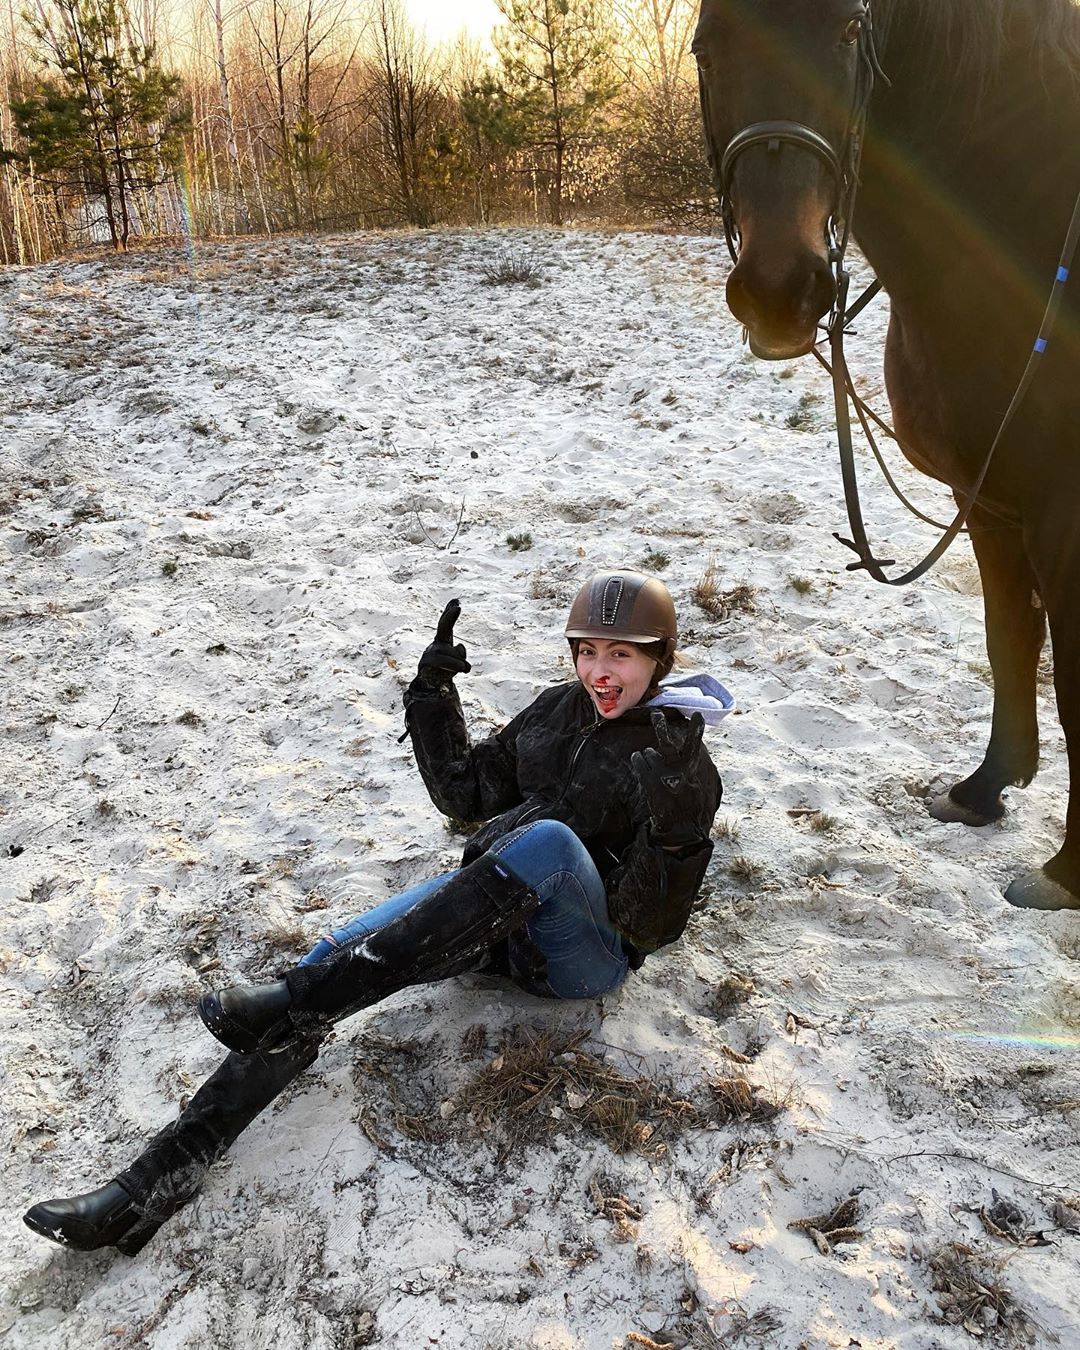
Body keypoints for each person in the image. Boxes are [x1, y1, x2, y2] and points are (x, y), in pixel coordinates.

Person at [24, 570, 727, 1255]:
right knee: (329, 953)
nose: (600, 672)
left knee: (545, 842)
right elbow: (467, 796)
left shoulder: (679, 759)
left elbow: (650, 928)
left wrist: (677, 818)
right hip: (493, 923)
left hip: (581, 956)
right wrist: (432, 693)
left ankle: (297, 1003)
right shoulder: (557, 708)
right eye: (587, 651)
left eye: (621, 655)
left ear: (660, 658)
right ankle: (145, 1188)